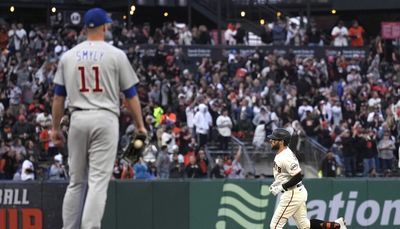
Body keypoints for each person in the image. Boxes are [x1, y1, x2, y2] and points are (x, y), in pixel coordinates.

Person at [51, 8, 147, 229]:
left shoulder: (68, 56)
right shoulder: (116, 54)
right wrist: (139, 125)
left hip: (77, 118)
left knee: (75, 182)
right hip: (105, 118)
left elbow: (58, 97)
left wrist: (55, 127)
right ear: (104, 26)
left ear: (85, 29)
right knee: (97, 183)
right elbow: (130, 97)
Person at [267, 128, 347, 229]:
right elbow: (286, 174)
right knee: (304, 225)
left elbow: (298, 176)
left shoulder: (286, 157)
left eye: (274, 139)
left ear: (282, 141)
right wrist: (278, 183)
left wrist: (282, 187)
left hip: (292, 193)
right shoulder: (282, 153)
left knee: (275, 226)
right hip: (295, 192)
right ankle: (338, 225)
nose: (271, 141)